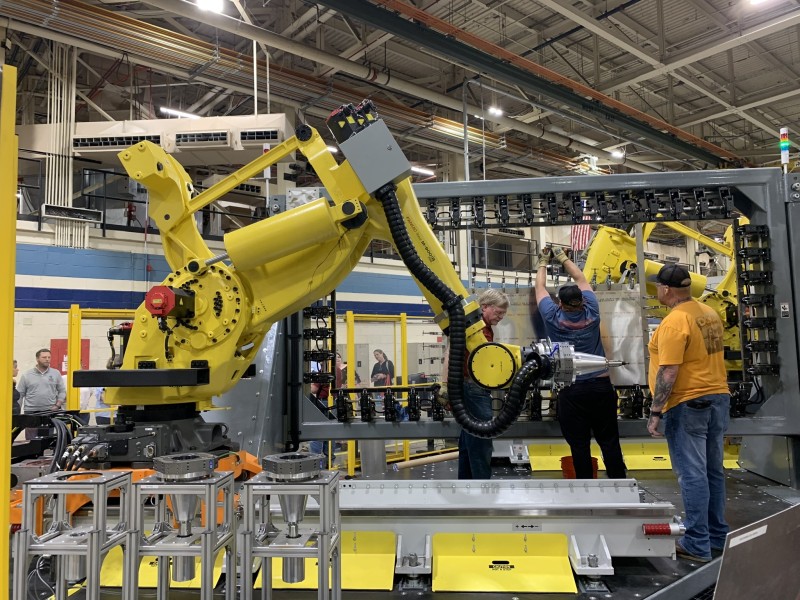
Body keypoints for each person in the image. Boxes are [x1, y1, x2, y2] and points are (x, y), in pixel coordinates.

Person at [646, 264, 730, 563]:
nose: (656, 290)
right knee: (712, 472)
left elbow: (669, 370)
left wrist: (656, 410)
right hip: (718, 398)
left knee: (692, 475)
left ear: (667, 290)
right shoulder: (708, 314)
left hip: (687, 403)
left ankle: (696, 542)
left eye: (658, 286)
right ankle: (718, 537)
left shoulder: (674, 322)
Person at [534, 246, 627, 479]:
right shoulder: (592, 311)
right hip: (601, 387)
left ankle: (586, 489)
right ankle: (620, 485)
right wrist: (563, 257)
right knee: (609, 442)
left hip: (571, 390)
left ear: (561, 304)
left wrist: (543, 261)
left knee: (579, 444)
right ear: (581, 301)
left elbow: (540, 287)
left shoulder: (553, 317)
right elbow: (581, 277)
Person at [441, 288, 509, 479]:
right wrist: (445, 385)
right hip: (472, 389)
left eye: (503, 314)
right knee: (481, 438)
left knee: (469, 439)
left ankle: (467, 485)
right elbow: (450, 352)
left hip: (470, 387)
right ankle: (482, 488)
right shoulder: (475, 328)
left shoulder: (482, 329)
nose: (501, 317)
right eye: (498, 312)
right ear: (484, 307)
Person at [16, 348, 66, 413]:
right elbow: (20, 394)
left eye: (49, 357)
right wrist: (17, 413)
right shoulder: (26, 375)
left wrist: (57, 405)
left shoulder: (56, 373)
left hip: (51, 410)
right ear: (37, 359)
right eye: (44, 357)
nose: (47, 359)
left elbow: (62, 391)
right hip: (31, 411)